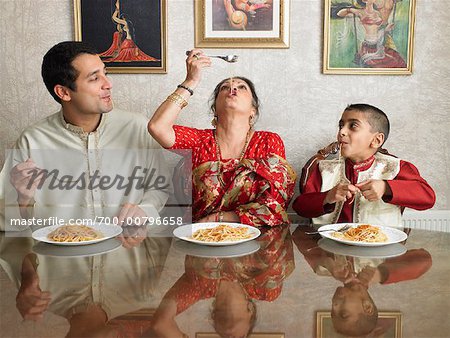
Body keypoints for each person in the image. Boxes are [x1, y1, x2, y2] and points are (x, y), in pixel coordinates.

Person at [0, 41, 170, 231]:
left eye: (105, 73)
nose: (108, 84)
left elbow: (160, 188)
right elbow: (8, 224)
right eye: (94, 78)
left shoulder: (137, 128)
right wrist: (21, 200)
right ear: (63, 92)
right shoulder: (32, 141)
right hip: (60, 259)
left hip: (127, 253)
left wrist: (145, 210)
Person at [148, 49, 296, 227]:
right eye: (225, 88)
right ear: (215, 109)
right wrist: (191, 81)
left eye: (241, 87)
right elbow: (158, 127)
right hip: (203, 239)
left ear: (253, 110)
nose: (232, 88)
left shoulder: (268, 141)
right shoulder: (199, 141)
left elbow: (276, 202)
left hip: (259, 240)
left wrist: (219, 218)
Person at [293, 103, 435, 226]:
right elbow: (300, 207)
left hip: (381, 250)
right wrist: (327, 197)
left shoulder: (395, 167)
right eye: (341, 125)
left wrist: (385, 187)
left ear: (376, 140)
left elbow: (427, 197)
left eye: (353, 126)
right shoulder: (324, 169)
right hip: (328, 249)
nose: (342, 131)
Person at [147, 226, 294, 337]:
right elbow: (277, 249)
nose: (230, 335)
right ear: (251, 312)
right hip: (259, 221)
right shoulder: (266, 292)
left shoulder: (199, 287)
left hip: (209, 218)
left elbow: (161, 324)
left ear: (213, 317)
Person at [292, 225, 432, 336]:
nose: (334, 305)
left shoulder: (323, 269)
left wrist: (324, 260)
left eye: (332, 312)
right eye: (343, 313)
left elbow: (299, 232)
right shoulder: (383, 266)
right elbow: (424, 260)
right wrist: (380, 274)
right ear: (367, 307)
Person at [335, 0, 406, 68]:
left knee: (399, 60)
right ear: (364, 0)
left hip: (378, 45)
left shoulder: (377, 13)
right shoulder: (361, 12)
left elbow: (377, 32)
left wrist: (386, 30)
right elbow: (339, 14)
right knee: (392, 62)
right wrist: (351, 10)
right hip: (369, 47)